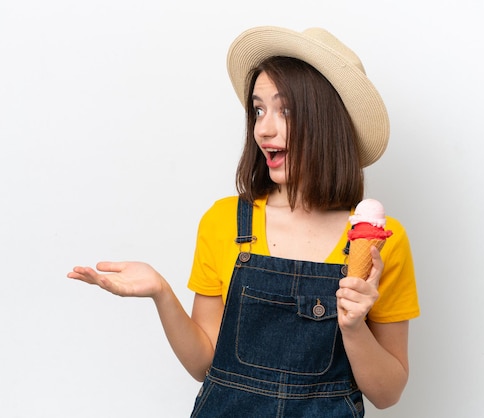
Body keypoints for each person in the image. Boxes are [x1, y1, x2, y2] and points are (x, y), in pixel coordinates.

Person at [67, 26, 419, 417]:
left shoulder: (381, 242)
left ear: (328, 123)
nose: (263, 129)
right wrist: (162, 293)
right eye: (258, 109)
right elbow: (204, 365)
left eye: (285, 110)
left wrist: (353, 328)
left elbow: (387, 394)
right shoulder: (223, 222)